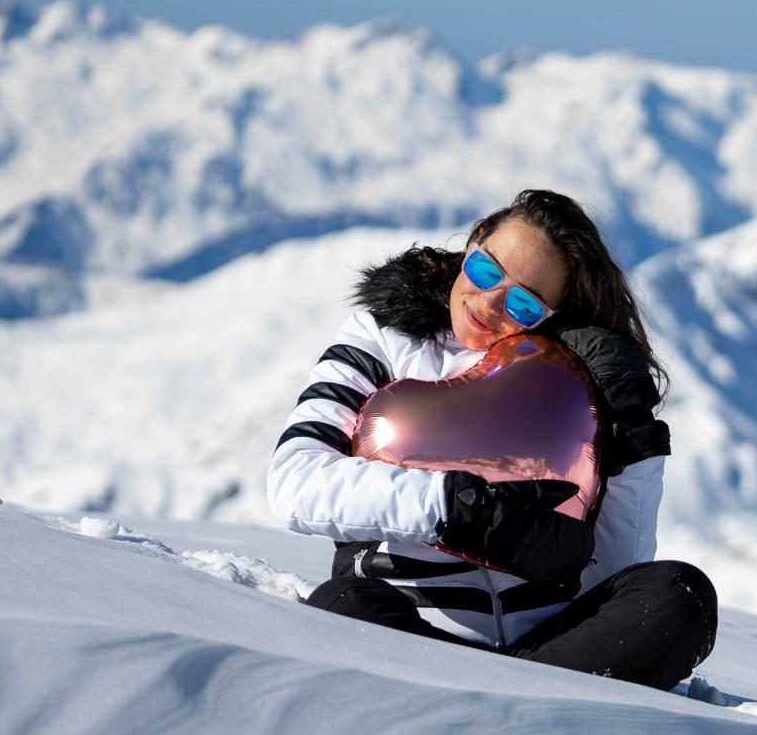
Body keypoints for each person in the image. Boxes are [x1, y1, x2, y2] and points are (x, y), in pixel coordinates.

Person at [267, 189, 716, 690]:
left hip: (548, 644)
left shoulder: (567, 382)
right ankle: (544, 701)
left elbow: (614, 570)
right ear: (473, 241)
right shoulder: (381, 337)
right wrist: (457, 507)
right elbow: (294, 482)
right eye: (485, 271)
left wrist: (634, 446)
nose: (489, 302)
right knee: (344, 604)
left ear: (551, 314)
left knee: (681, 595)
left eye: (523, 302)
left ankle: (521, 698)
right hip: (413, 631)